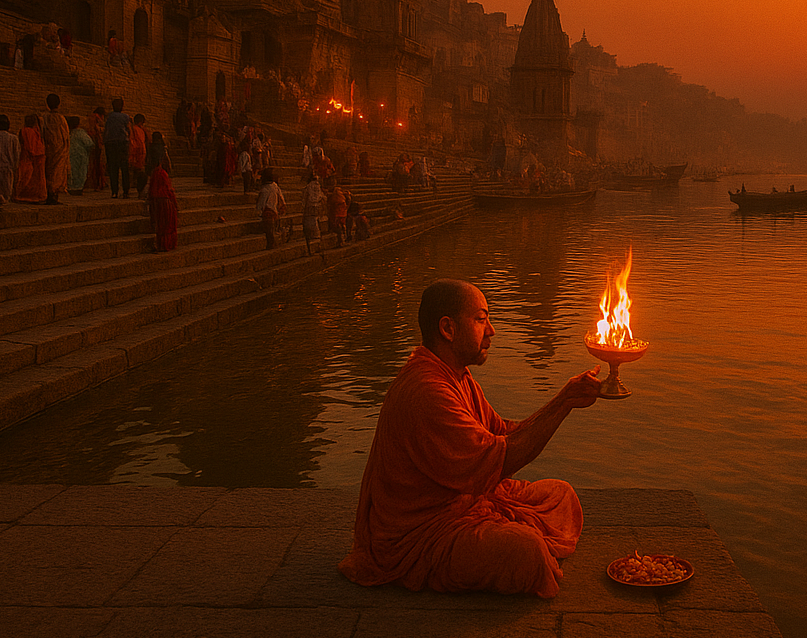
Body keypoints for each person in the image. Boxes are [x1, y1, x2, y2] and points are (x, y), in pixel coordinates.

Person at [340, 280, 602, 598]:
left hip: (463, 504)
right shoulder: (427, 390)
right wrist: (564, 403)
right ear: (448, 329)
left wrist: (564, 399)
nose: (491, 331)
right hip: (421, 531)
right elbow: (500, 457)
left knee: (561, 494)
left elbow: (502, 433)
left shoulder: (457, 376)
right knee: (526, 550)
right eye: (481, 319)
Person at [147, 132, 177, 253]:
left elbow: (152, 191)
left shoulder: (156, 173)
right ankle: (166, 244)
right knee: (167, 226)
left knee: (162, 226)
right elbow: (169, 190)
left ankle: (162, 244)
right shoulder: (162, 173)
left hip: (159, 202)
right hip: (165, 202)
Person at [42, 93, 69, 205]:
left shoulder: (44, 118)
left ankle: (49, 193)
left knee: (48, 171)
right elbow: (65, 135)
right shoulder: (61, 118)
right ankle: (53, 195)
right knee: (57, 173)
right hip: (59, 149)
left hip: (48, 148)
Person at [103, 98, 132, 198]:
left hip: (110, 143)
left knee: (113, 168)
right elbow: (129, 129)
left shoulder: (109, 116)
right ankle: (126, 191)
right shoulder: (125, 117)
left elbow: (106, 130)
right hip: (122, 143)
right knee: (124, 168)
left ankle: (114, 191)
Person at [15, 114, 47, 204]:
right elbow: (31, 146)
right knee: (30, 178)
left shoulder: (28, 131)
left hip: (32, 158)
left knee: (29, 178)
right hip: (32, 157)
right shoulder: (28, 131)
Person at [255, 168, 285, 249]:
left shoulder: (264, 189)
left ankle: (271, 244)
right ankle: (272, 243)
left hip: (268, 211)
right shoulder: (275, 186)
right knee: (272, 229)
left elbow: (261, 202)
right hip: (274, 210)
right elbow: (281, 198)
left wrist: (258, 210)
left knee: (269, 230)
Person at [301, 168, 325, 256]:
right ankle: (318, 245)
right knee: (316, 225)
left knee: (310, 227)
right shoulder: (318, 187)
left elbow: (304, 199)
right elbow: (322, 197)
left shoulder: (308, 187)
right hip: (317, 208)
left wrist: (303, 207)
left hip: (309, 208)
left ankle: (312, 248)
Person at [67, 115, 93, 195]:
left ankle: (71, 187)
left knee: (72, 172)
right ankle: (78, 188)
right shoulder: (81, 133)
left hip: (70, 155)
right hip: (81, 155)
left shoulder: (68, 133)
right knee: (81, 172)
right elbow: (89, 143)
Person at [87, 106, 107, 191]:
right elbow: (97, 130)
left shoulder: (90, 118)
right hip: (97, 143)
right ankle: (98, 184)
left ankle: (96, 183)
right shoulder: (96, 118)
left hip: (93, 143)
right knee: (99, 165)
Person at [129, 114, 149, 198]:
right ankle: (135, 183)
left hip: (139, 150)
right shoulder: (136, 129)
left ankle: (135, 182)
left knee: (137, 168)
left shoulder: (138, 129)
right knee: (137, 168)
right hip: (137, 150)